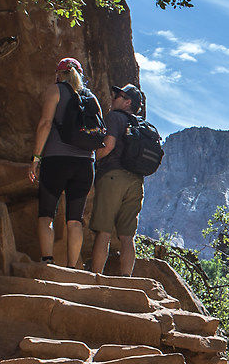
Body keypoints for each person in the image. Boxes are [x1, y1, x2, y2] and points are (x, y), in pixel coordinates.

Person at [30, 57, 108, 268]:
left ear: (59, 73)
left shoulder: (55, 90)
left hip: (56, 159)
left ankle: (47, 262)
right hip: (85, 164)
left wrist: (36, 158)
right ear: (80, 74)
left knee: (46, 214)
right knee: (75, 220)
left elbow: (45, 124)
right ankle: (72, 267)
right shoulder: (92, 98)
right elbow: (100, 132)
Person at [85, 83, 147, 277]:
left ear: (127, 102)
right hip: (136, 181)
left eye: (118, 96)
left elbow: (109, 145)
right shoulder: (140, 125)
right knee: (127, 236)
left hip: (113, 176)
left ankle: (96, 279)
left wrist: (93, 157)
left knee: (103, 231)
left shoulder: (114, 117)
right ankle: (126, 281)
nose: (113, 98)